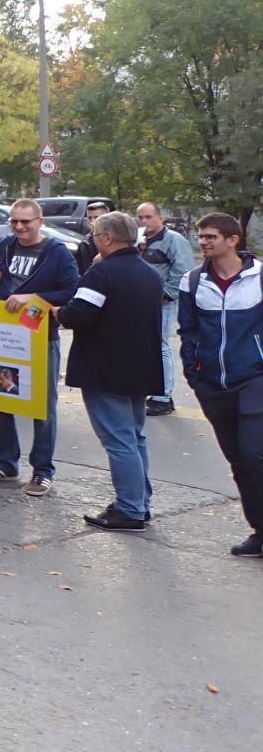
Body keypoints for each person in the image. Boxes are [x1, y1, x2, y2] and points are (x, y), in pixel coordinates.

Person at [60, 211, 163, 531]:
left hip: (105, 368)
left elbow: (77, 315)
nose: (92, 241)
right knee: (135, 437)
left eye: (94, 235)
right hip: (140, 367)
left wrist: (54, 310)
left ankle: (130, 509)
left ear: (106, 238)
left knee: (119, 441)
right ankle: (139, 502)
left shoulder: (101, 273)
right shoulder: (149, 273)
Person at [0, 199, 80, 495]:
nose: (19, 227)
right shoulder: (5, 244)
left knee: (42, 408)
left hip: (39, 338)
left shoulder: (57, 252)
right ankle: (5, 464)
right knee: (1, 399)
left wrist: (32, 297)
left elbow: (71, 291)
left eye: (26, 222)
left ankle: (43, 471)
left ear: (40, 221)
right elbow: (2, 283)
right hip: (5, 335)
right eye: (15, 222)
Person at [178, 214, 263, 558]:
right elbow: (188, 332)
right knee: (238, 461)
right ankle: (259, 531)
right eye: (201, 236)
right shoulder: (193, 281)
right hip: (212, 384)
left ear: (233, 240)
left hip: (254, 378)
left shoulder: (259, 277)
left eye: (211, 236)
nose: (204, 242)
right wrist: (194, 374)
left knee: (255, 454)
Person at [138, 202, 194, 416]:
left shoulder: (173, 240)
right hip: (142, 302)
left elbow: (183, 271)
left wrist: (166, 295)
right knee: (146, 347)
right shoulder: (141, 241)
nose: (144, 221)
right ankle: (152, 390)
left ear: (160, 218)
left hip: (163, 303)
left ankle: (163, 396)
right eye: (140, 217)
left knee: (160, 346)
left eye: (148, 217)